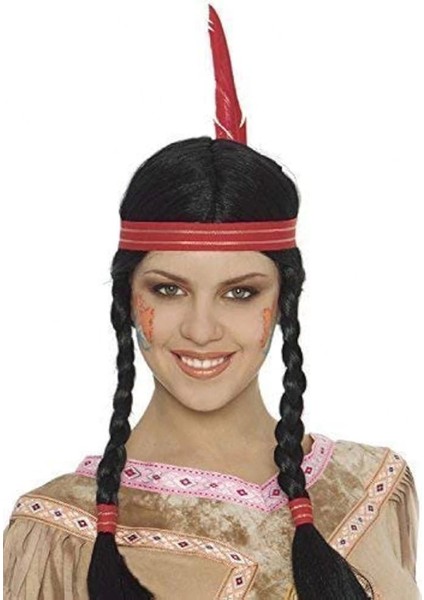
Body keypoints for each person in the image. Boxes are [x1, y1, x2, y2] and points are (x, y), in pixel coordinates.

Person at [3, 4, 420, 600]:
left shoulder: (371, 484)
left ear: (284, 299)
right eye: (168, 289)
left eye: (240, 292)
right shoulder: (61, 531)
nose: (201, 329)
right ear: (127, 297)